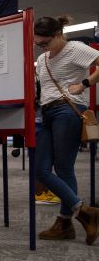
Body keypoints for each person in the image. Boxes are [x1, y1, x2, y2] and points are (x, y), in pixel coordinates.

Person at [33, 15, 99, 245]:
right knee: (40, 169)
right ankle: (84, 212)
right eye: (38, 44)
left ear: (58, 35)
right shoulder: (42, 59)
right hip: (47, 113)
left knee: (63, 168)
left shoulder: (76, 49)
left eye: (45, 42)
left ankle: (64, 223)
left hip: (68, 110)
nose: (41, 47)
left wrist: (85, 84)